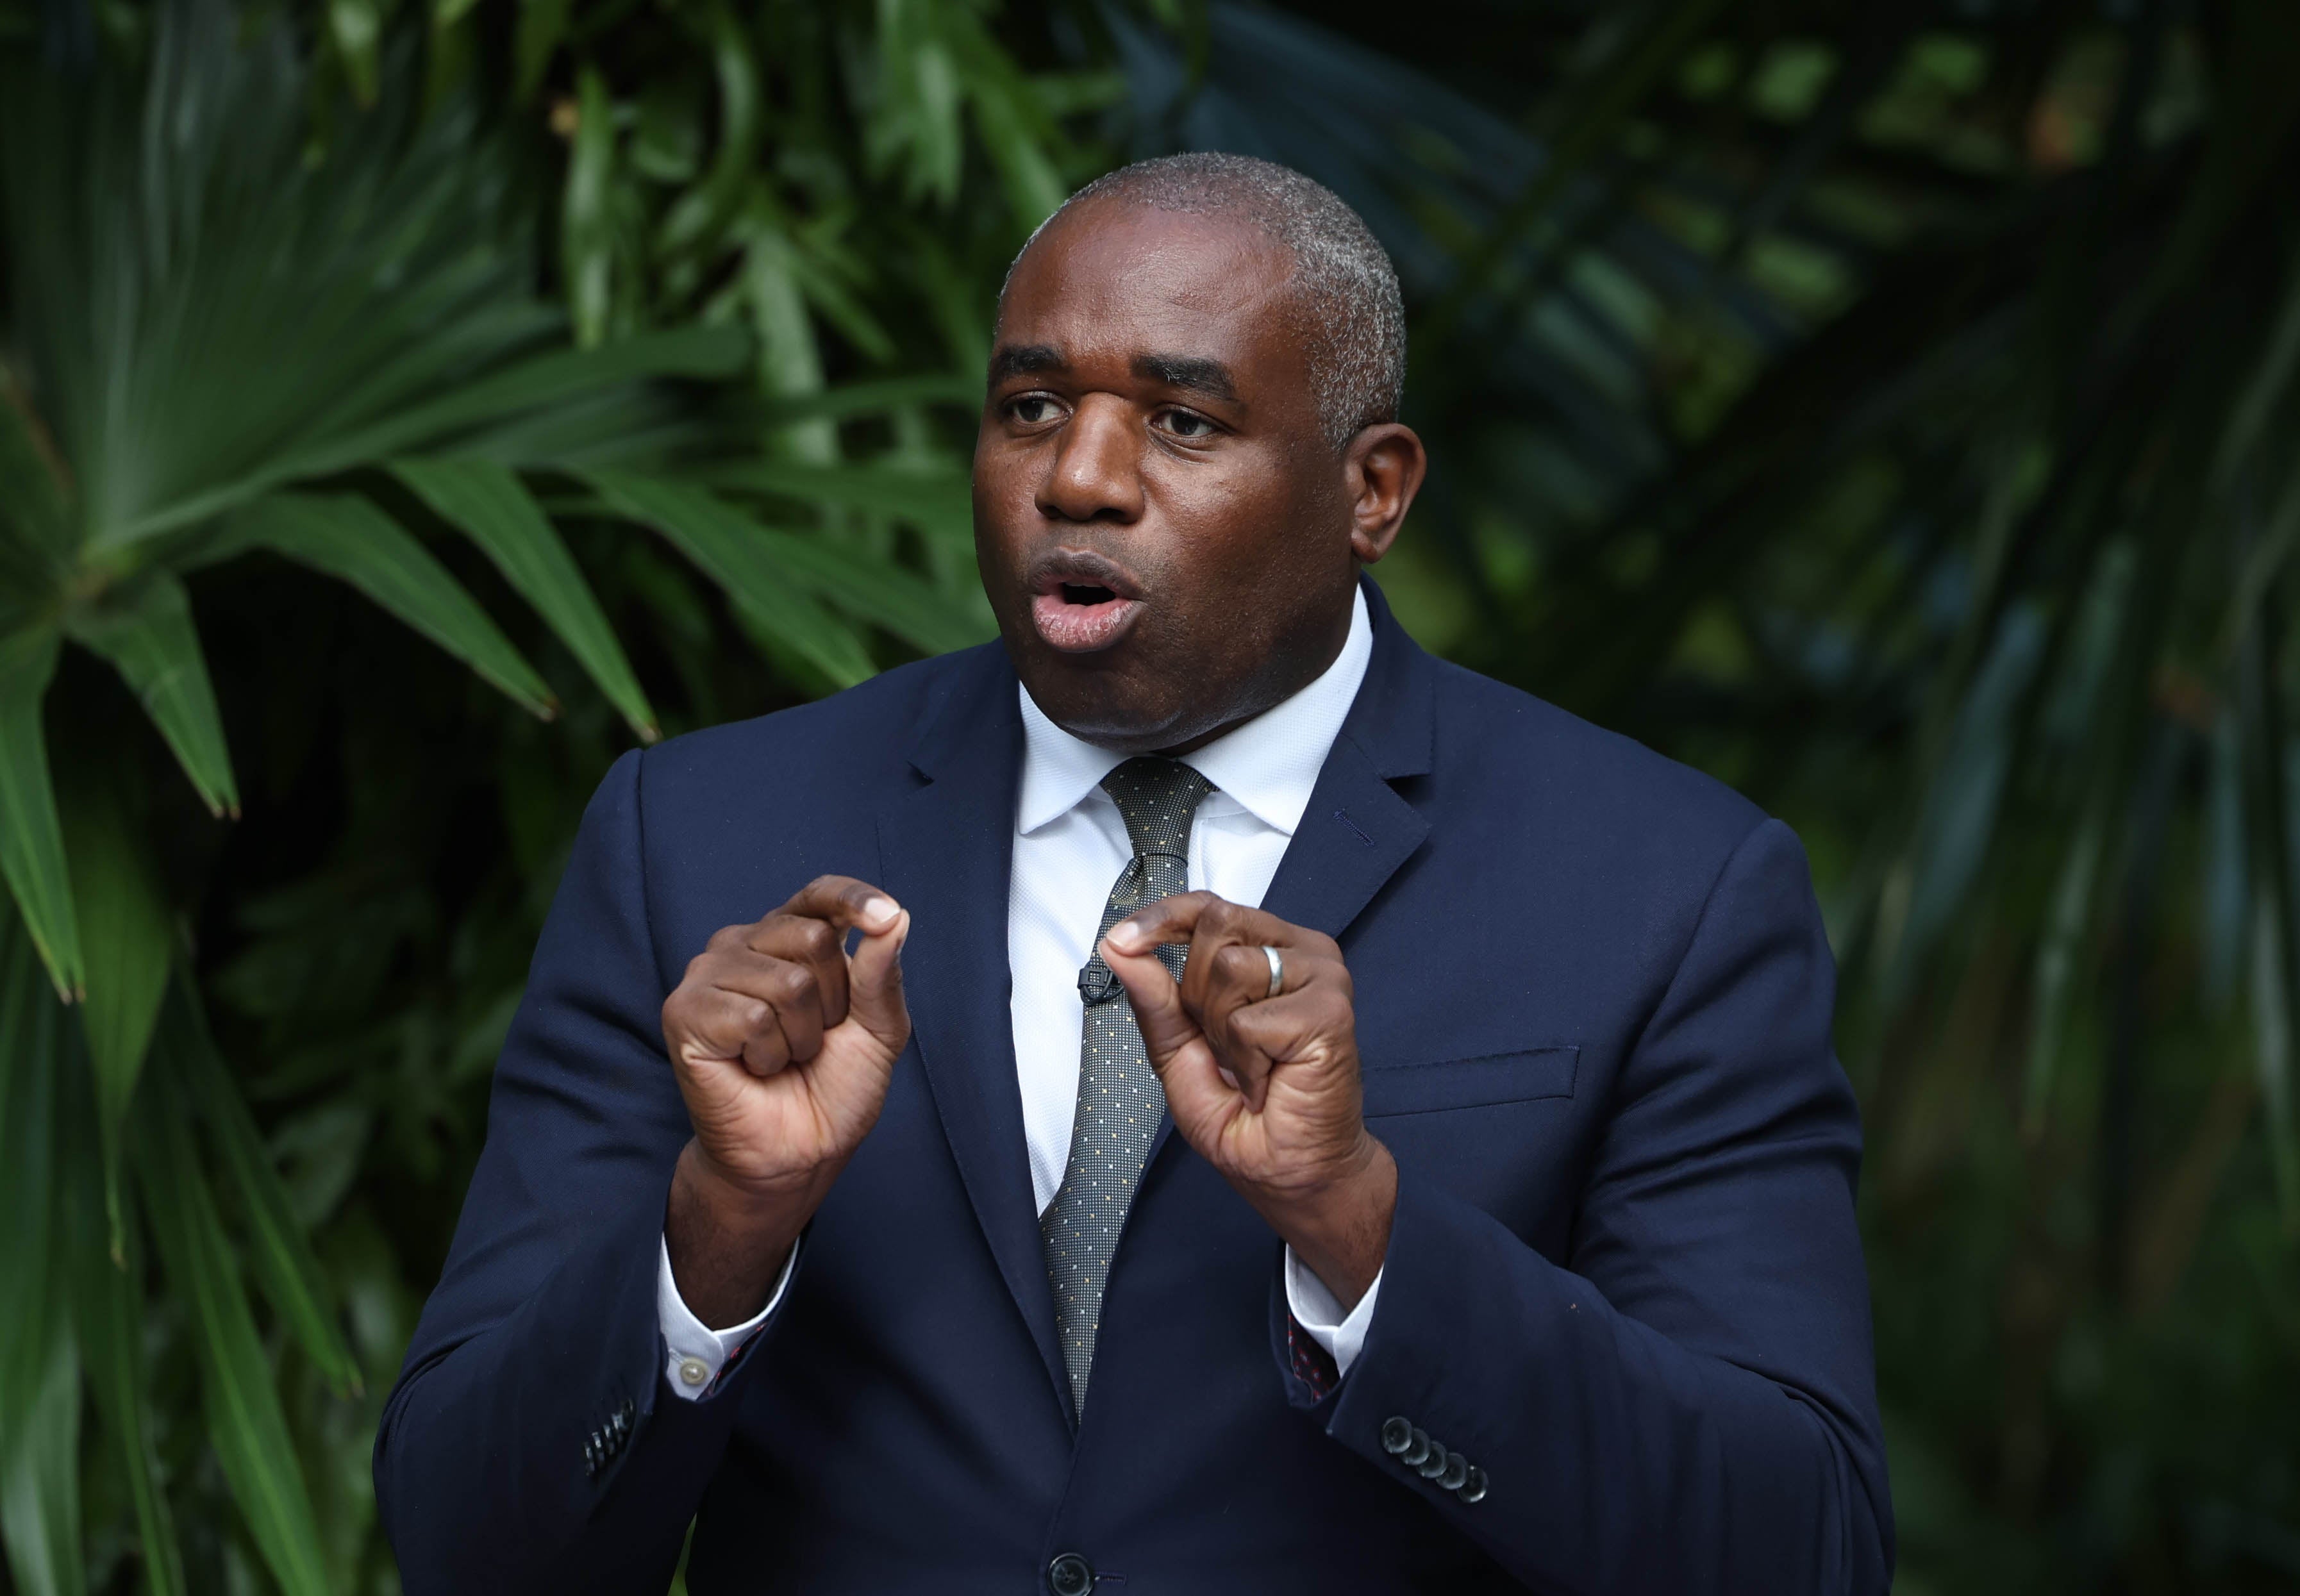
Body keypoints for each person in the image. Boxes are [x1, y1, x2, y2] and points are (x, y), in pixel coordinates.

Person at [376, 153, 1892, 1595]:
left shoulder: (1667, 888)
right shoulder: (699, 838)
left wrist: (1362, 1228)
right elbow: (463, 1542)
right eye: (1031, 406)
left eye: (1182, 423)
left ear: (1373, 490)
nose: (1079, 480)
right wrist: (717, 1231)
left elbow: (1799, 1545)